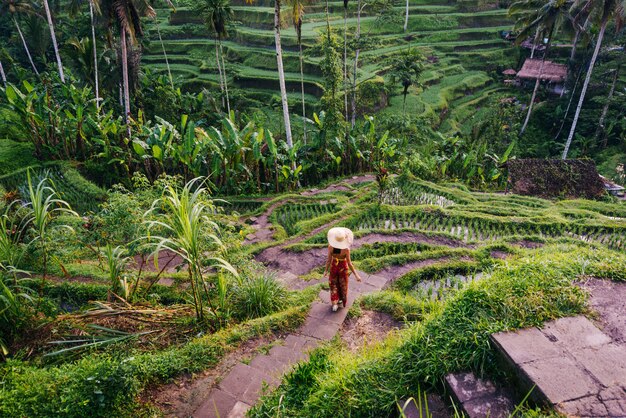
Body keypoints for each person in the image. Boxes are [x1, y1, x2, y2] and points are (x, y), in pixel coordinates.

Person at [323, 227, 362, 312]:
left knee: (333, 283)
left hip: (334, 266)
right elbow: (349, 263)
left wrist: (326, 271)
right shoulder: (346, 250)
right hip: (343, 267)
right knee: (343, 284)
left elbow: (329, 260)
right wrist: (356, 275)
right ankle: (341, 299)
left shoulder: (330, 247)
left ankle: (334, 303)